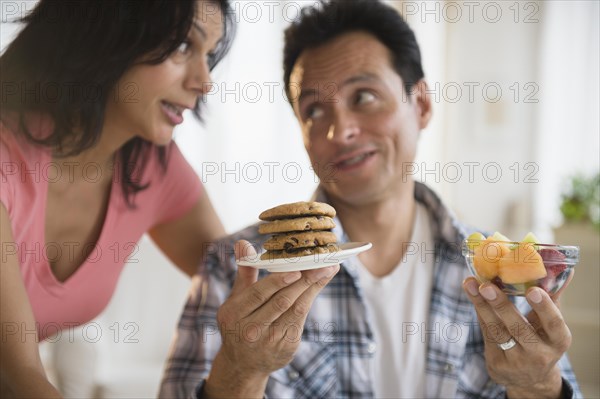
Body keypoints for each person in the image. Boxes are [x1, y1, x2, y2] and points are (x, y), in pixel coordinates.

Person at [159, 0, 581, 398]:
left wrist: (539, 386)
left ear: (422, 104)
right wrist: (241, 371)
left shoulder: (503, 274)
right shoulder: (236, 269)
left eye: (363, 97)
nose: (339, 131)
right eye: (314, 111)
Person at [0, 0, 235, 396]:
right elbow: (19, 375)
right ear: (108, 33)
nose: (204, 80)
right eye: (182, 47)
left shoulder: (151, 167)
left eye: (209, 55)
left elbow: (243, 279)